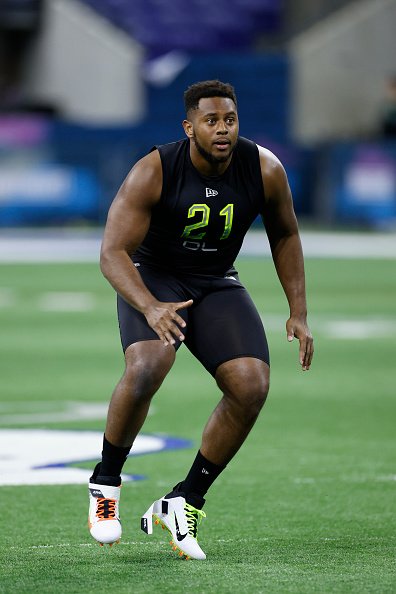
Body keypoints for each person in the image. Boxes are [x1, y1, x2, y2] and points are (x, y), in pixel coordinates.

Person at [88, 80, 314, 560]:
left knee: (251, 385)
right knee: (149, 364)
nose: (222, 130)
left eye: (229, 120)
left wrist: (298, 309)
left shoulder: (265, 168)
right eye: (211, 121)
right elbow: (112, 253)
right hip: (154, 276)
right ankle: (106, 482)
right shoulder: (155, 169)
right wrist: (149, 306)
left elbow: (286, 234)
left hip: (214, 280)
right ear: (189, 127)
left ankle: (184, 499)